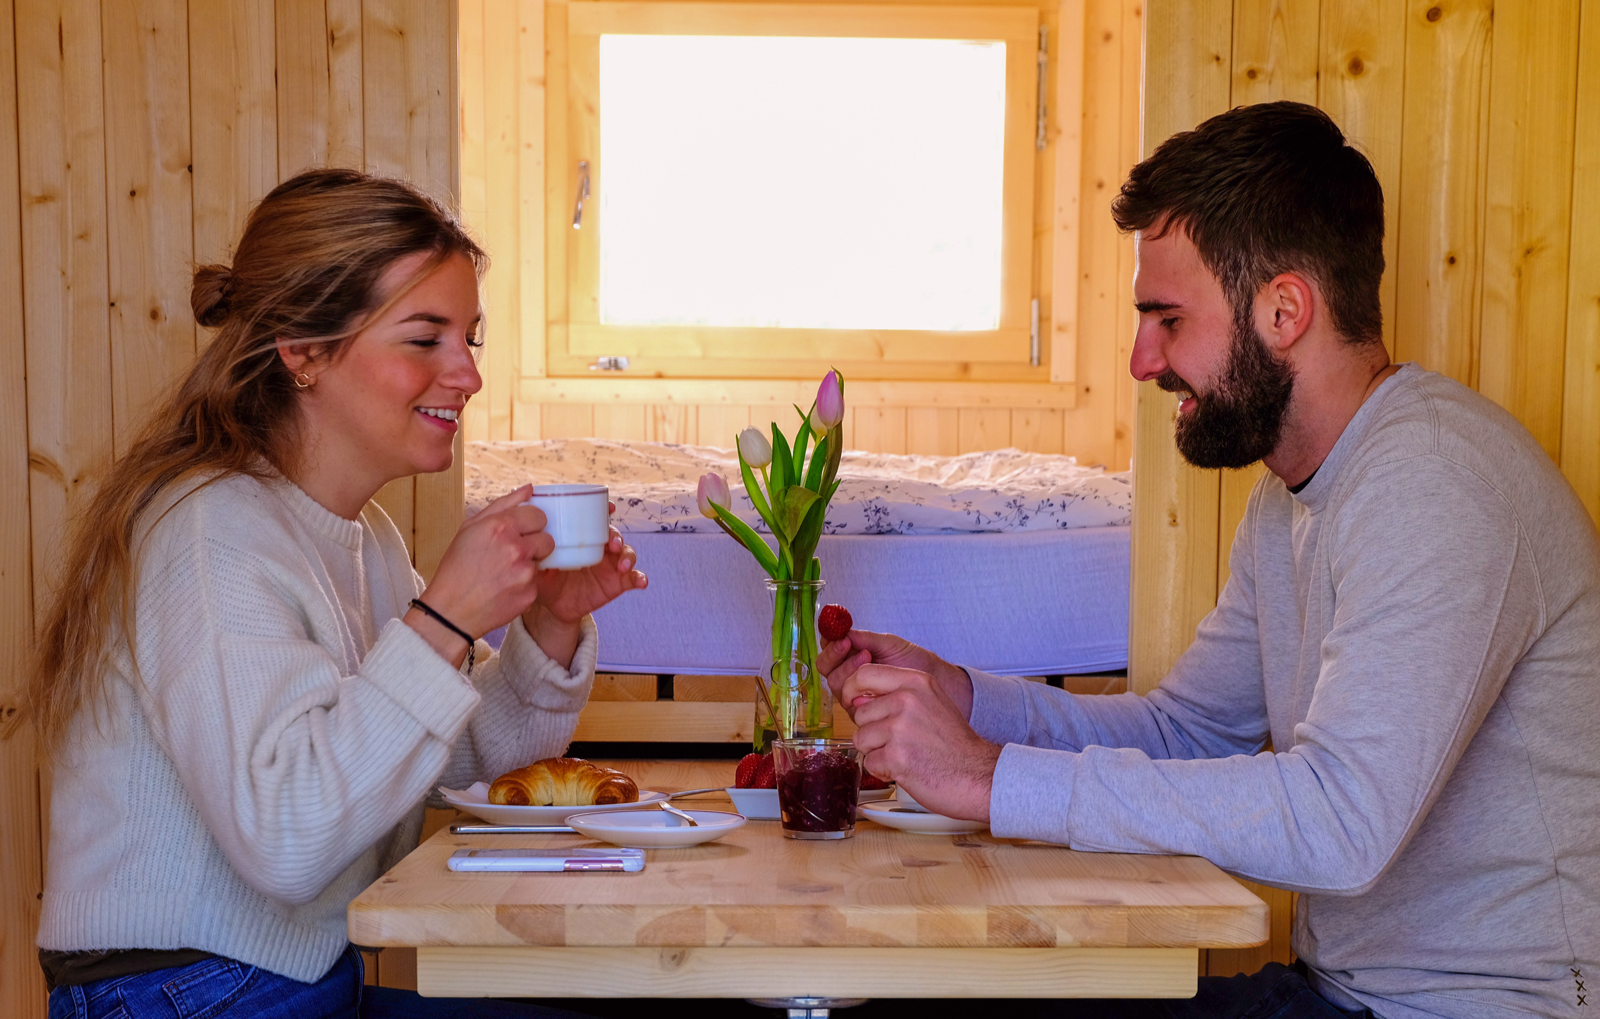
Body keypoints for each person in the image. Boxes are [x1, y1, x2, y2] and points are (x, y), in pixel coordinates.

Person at [820, 102, 1599, 1019]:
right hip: (1341, 995)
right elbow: (1188, 732)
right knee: (928, 999)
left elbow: (1341, 821)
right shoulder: (1290, 496)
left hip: (1469, 1011)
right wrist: (970, 700)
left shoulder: (1436, 481)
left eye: (1167, 318)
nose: (1144, 360)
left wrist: (990, 778)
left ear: (1284, 309)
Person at [31, 168, 644, 1018]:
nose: (465, 373)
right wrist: (444, 620)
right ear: (304, 351)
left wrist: (547, 625)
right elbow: (287, 838)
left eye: (469, 337)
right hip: (183, 989)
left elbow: (449, 764)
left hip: (286, 978)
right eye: (425, 338)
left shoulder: (366, 539)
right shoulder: (210, 529)